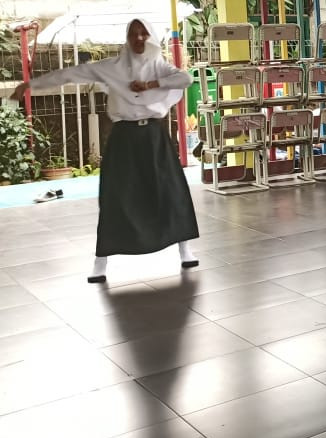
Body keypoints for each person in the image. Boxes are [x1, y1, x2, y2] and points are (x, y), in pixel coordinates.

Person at [11, 19, 199, 283]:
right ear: (127, 37)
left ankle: (185, 250)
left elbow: (185, 78)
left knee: (170, 190)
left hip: (153, 136)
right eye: (133, 34)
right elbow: (71, 74)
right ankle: (100, 262)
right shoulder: (111, 67)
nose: (139, 38)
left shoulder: (159, 66)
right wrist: (31, 85)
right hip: (124, 137)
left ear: (151, 37)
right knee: (115, 195)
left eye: (143, 33)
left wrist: (150, 84)